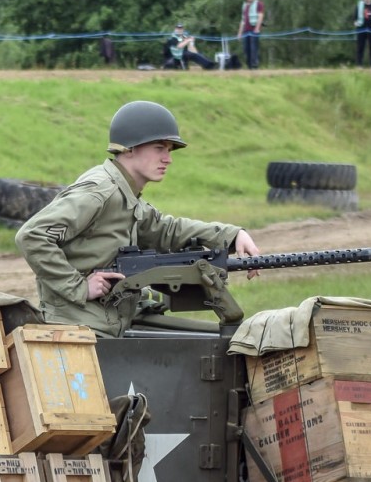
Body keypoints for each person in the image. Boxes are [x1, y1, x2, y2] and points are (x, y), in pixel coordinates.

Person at [15, 100, 259, 337]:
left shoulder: (126, 195)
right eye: (159, 148)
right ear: (129, 148)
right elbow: (32, 236)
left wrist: (231, 234)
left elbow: (166, 230)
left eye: (170, 150)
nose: (168, 158)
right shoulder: (100, 191)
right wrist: (79, 288)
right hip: (78, 332)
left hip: (100, 328)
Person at [239, 0, 266, 70]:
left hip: (254, 30)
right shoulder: (244, 5)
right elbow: (243, 20)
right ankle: (249, 65)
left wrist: (257, 28)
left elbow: (260, 16)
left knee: (254, 48)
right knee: (246, 48)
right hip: (246, 31)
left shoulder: (258, 4)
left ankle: (255, 65)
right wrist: (240, 32)